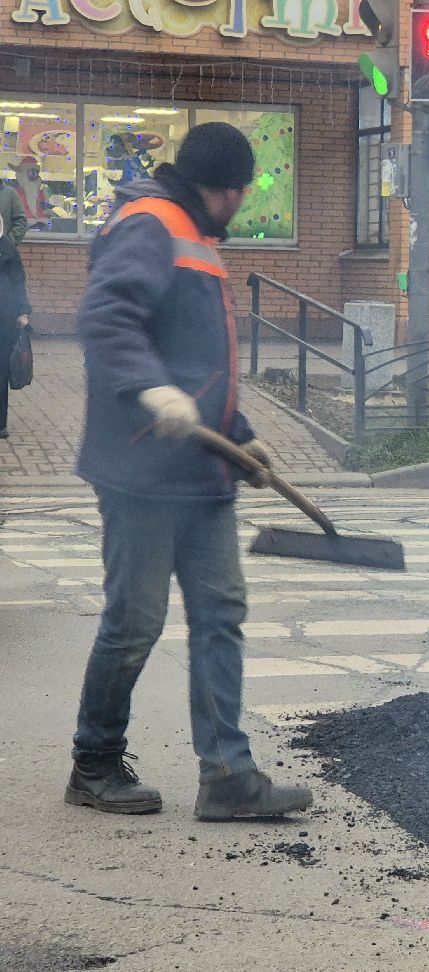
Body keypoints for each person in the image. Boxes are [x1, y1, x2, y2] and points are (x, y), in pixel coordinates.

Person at [67, 122, 311, 821]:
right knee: (135, 621)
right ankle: (95, 763)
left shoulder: (198, 237)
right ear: (225, 189)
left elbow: (201, 360)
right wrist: (150, 388)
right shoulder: (151, 223)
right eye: (242, 192)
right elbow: (106, 318)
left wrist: (242, 436)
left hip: (201, 472)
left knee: (219, 616)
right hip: (141, 468)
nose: (241, 204)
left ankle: (228, 776)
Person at [0, 216, 30, 439]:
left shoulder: (7, 247)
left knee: (1, 368)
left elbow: (18, 279)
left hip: (4, 314)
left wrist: (22, 311)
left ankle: (0, 423)